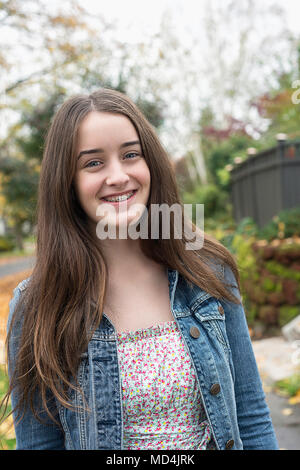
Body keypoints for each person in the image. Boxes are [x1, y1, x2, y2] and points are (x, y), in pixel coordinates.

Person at [1, 88, 278, 450]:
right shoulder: (37, 306)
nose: (118, 176)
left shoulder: (208, 272)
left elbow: (252, 417)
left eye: (131, 154)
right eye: (93, 163)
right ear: (66, 182)